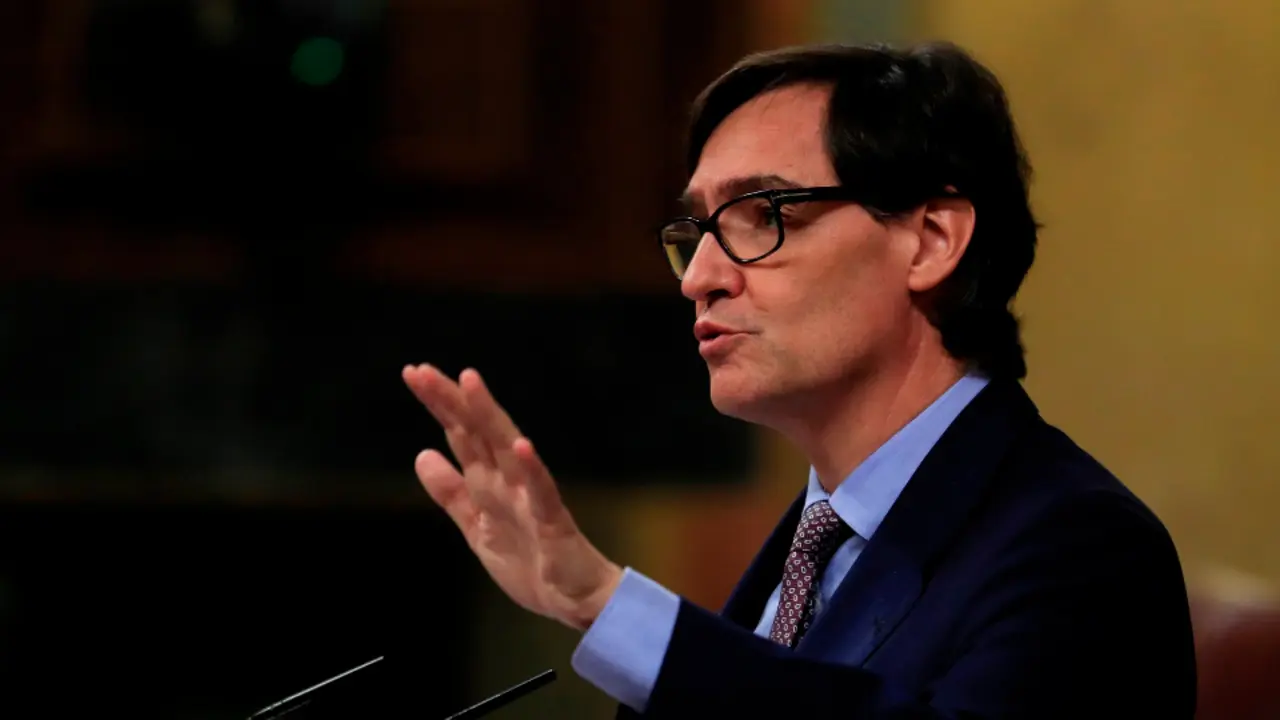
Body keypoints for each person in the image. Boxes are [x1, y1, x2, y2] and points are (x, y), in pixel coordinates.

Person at [400, 41, 1197, 718]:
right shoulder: (814, 541)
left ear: (930, 240)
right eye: (697, 229)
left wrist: (603, 604)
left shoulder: (1081, 548)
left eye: (763, 213)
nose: (699, 277)